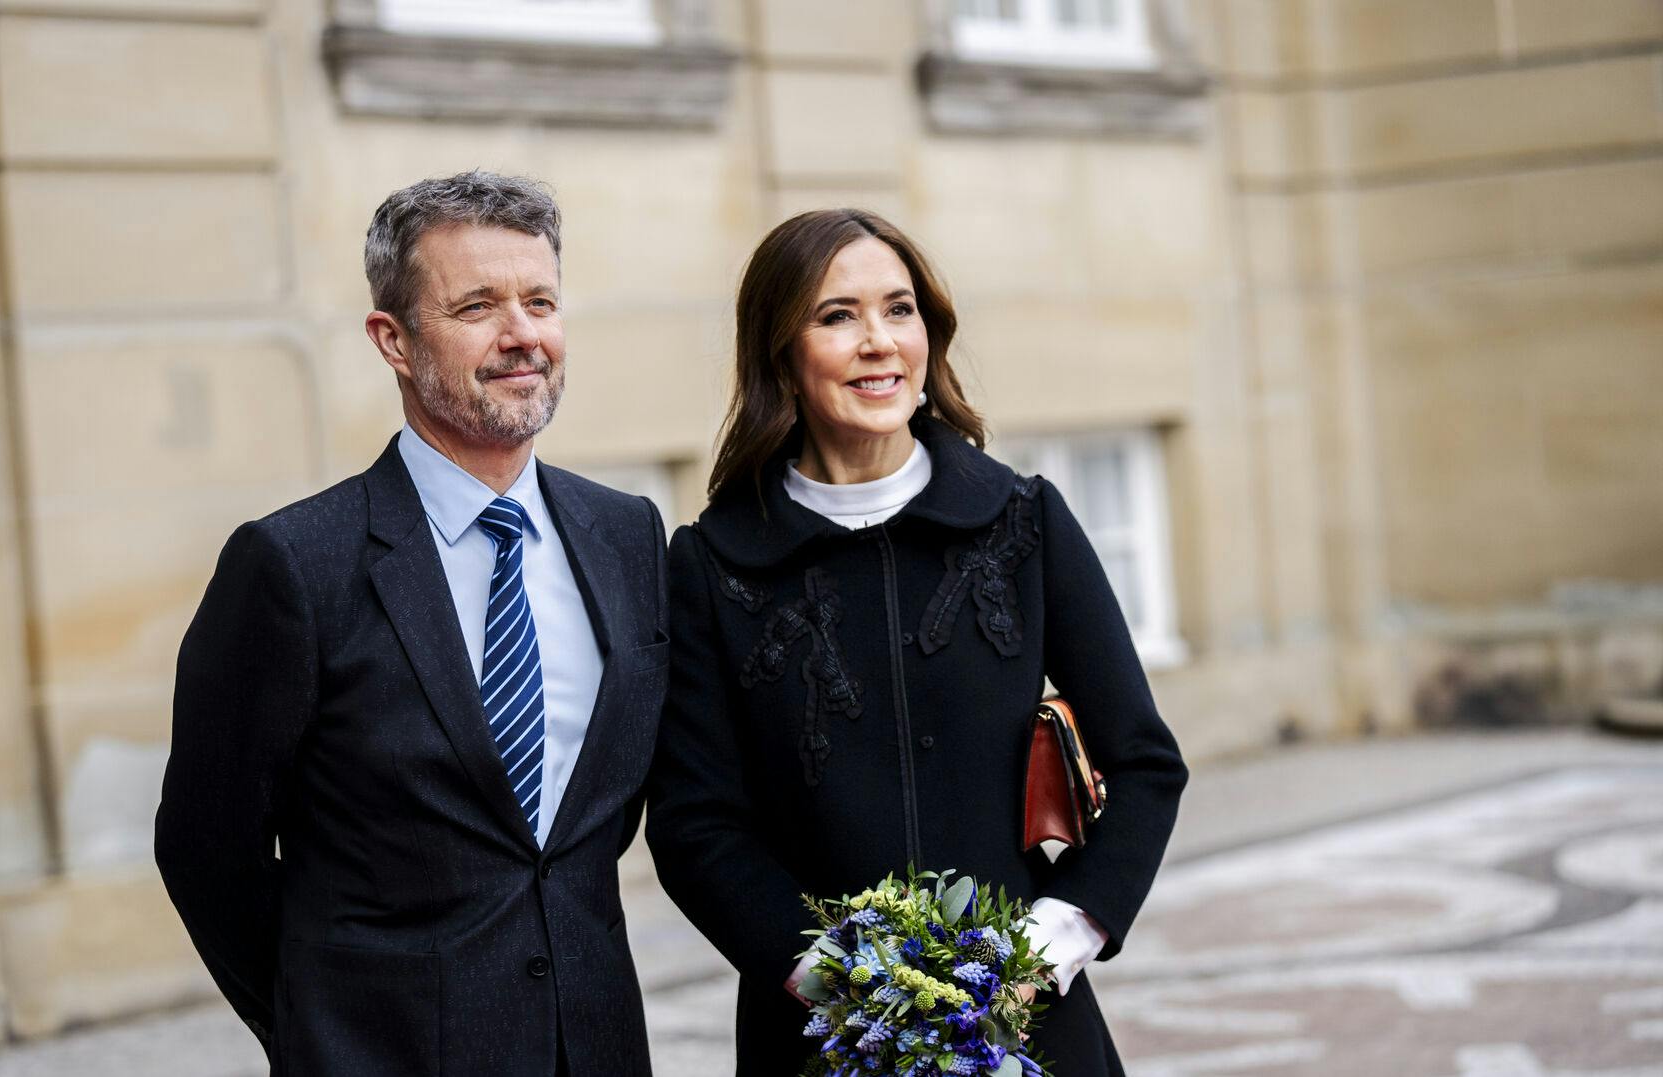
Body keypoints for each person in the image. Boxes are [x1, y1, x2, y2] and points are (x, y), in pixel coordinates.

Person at [647, 209, 1188, 1075]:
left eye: (899, 310)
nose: (879, 342)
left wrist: (1045, 947)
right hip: (821, 1043)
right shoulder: (712, 564)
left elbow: (1146, 764)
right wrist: (837, 978)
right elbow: (694, 822)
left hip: (1025, 1025)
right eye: (837, 316)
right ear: (780, 349)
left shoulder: (1024, 522)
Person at [156, 171, 668, 1076]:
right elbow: (207, 846)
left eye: (540, 301)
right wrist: (321, 1029)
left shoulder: (627, 534)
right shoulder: (294, 565)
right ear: (394, 340)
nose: (522, 336)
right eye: (477, 306)